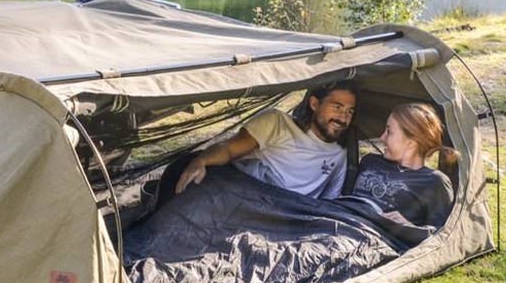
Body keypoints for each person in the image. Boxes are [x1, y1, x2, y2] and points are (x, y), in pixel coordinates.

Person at [174, 80, 357, 199]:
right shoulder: (277, 123)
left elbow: (330, 202)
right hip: (248, 201)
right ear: (314, 104)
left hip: (289, 221)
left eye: (349, 111)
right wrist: (201, 161)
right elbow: (229, 149)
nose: (343, 118)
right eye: (337, 107)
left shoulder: (340, 154)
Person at [343, 102, 457, 228]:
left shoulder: (434, 182)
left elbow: (442, 234)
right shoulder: (370, 162)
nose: (382, 138)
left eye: (389, 131)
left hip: (371, 236)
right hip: (338, 220)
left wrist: (408, 227)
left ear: (411, 142)